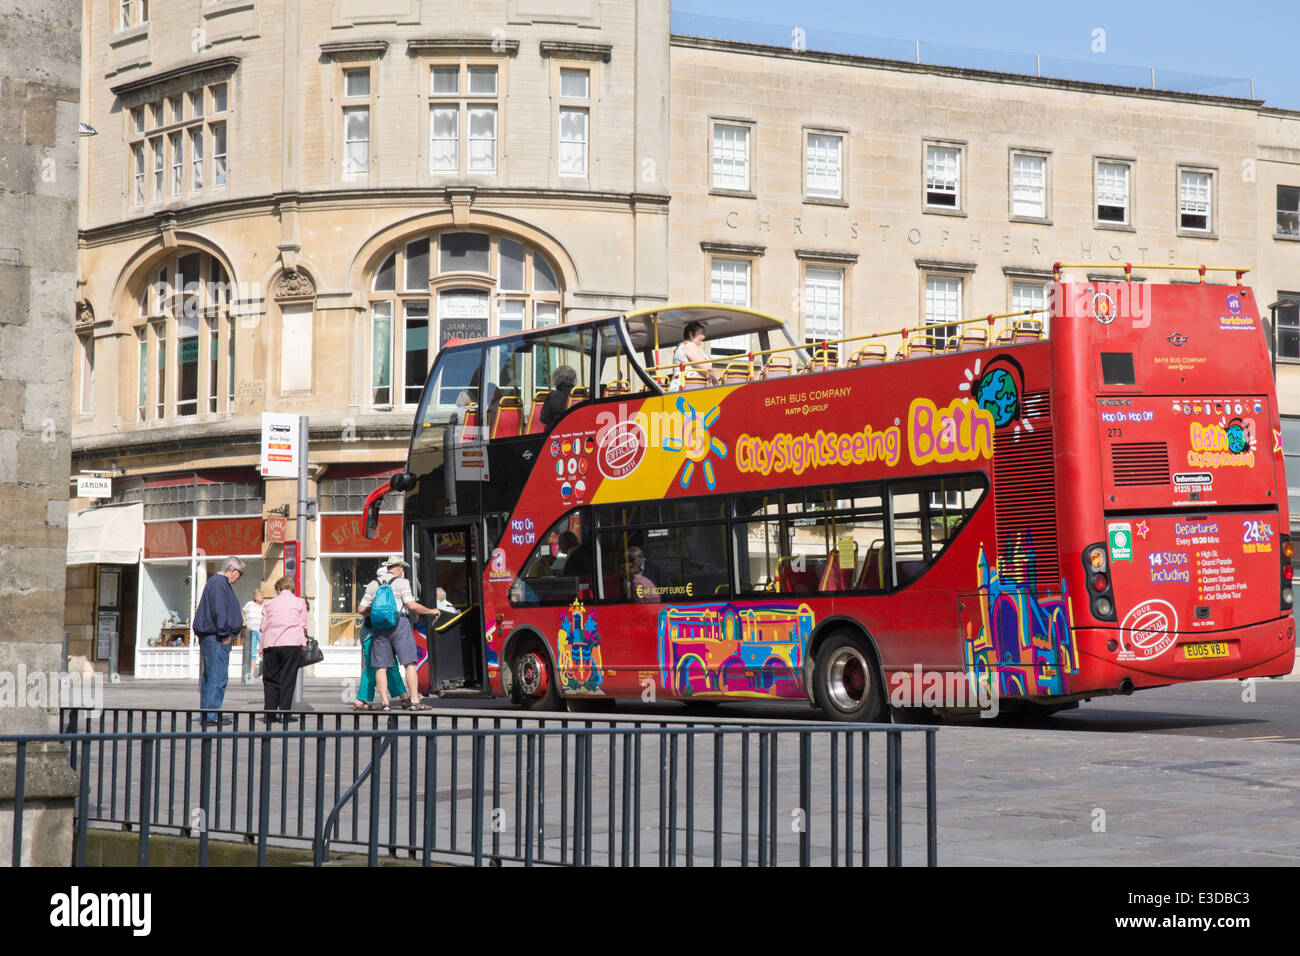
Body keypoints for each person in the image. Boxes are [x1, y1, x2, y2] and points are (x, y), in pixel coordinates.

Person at [357, 556, 441, 711]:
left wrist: (376, 613)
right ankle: (415, 701)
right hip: (399, 625)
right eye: (402, 568)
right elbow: (411, 605)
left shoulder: (372, 584)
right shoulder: (402, 583)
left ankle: (385, 704)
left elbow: (361, 610)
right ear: (399, 568)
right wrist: (431, 611)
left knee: (381, 666)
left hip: (379, 628)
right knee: (409, 663)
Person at [193, 556, 245, 726]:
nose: (238, 578)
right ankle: (211, 715)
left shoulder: (217, 583)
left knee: (211, 676)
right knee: (217, 676)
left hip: (213, 636)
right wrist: (225, 634)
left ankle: (209, 712)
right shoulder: (219, 583)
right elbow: (220, 610)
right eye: (240, 574)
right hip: (216, 637)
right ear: (232, 570)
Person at [259, 576, 308, 722]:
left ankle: (270, 713)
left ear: (278, 588)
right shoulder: (300, 602)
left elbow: (262, 626)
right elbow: (303, 624)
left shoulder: (268, 604)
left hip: (271, 643)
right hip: (292, 643)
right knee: (288, 679)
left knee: (270, 679)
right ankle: (285, 714)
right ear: (291, 588)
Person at [670, 320, 721, 391]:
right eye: (701, 333)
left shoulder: (684, 346)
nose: (704, 337)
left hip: (690, 386)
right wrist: (715, 380)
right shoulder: (688, 345)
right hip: (689, 387)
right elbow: (706, 368)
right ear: (691, 334)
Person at [242, 589, 264, 680]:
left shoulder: (264, 606)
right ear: (255, 597)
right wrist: (246, 624)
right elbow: (242, 613)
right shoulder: (249, 604)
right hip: (251, 630)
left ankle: (263, 672)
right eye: (259, 596)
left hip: (261, 631)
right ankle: (251, 672)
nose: (261, 597)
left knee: (263, 651)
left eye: (262, 596)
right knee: (252, 651)